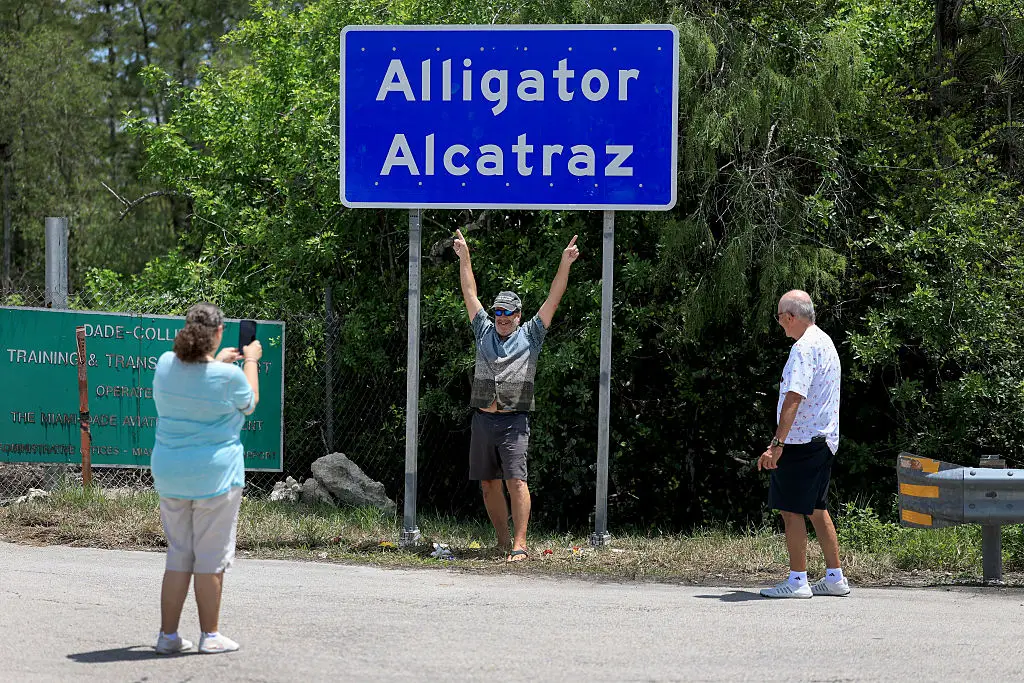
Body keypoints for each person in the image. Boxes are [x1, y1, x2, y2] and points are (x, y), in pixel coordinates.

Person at [452, 228, 579, 562]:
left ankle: (520, 545)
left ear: (519, 315)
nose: (503, 318)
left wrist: (564, 264)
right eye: (498, 312)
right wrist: (465, 257)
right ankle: (502, 541)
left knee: (515, 481)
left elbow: (554, 298)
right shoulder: (483, 329)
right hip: (483, 419)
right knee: (488, 483)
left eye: (509, 313)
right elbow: (469, 292)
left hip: (514, 421)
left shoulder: (532, 335)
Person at [150, 302, 263, 653]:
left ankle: (168, 637)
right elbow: (250, 401)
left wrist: (218, 361)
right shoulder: (229, 377)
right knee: (210, 557)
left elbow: (196, 375)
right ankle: (210, 636)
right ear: (217, 334)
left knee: (179, 553)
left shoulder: (165, 365)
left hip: (170, 473)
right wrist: (250, 361)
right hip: (215, 477)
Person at [758, 290, 850, 598]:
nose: (780, 324)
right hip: (824, 440)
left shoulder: (803, 348)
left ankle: (797, 581)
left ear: (790, 316)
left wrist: (777, 443)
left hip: (801, 442)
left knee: (790, 510)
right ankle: (835, 577)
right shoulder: (824, 341)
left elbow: (794, 397)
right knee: (815, 508)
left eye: (780, 318)